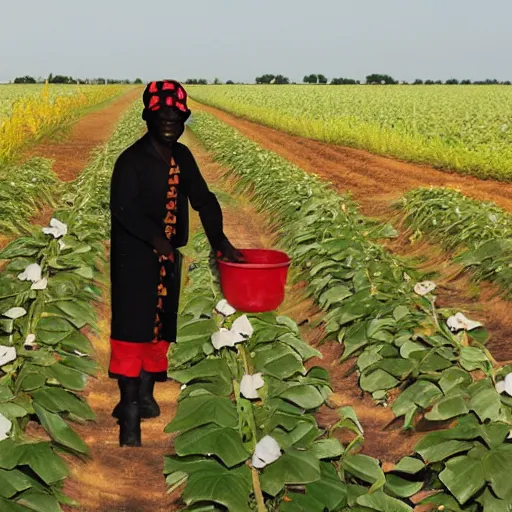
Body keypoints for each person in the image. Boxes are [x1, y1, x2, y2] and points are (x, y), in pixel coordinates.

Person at [108, 80, 244, 447]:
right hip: (133, 258)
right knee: (131, 329)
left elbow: (204, 200)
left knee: (161, 326)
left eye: (177, 115)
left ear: (184, 120)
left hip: (166, 258)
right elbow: (122, 210)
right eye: (162, 114)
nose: (170, 120)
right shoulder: (131, 161)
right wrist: (156, 240)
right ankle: (130, 414)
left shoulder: (181, 156)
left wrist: (221, 242)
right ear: (147, 116)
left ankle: (147, 399)